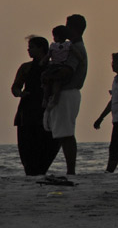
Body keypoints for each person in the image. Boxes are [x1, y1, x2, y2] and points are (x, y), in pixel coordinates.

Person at [43, 13, 88, 175]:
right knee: (65, 133)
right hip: (69, 92)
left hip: (68, 92)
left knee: (66, 134)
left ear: (72, 28)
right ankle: (70, 170)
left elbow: (67, 71)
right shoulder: (74, 46)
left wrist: (49, 76)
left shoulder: (74, 48)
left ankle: (71, 171)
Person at [11, 36, 60, 175]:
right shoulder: (25, 67)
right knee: (26, 144)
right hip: (28, 110)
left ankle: (41, 171)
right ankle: (30, 172)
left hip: (48, 109)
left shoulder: (52, 66)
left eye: (32, 47)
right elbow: (15, 87)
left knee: (48, 143)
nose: (29, 50)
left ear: (41, 48)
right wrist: (20, 93)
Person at [41, 25, 73, 110]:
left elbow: (48, 56)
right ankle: (49, 99)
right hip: (58, 67)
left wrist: (43, 61)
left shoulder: (56, 46)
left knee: (52, 83)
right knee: (52, 83)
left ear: (57, 37)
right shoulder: (68, 45)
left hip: (57, 67)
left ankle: (50, 99)